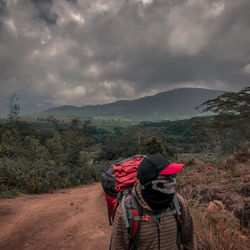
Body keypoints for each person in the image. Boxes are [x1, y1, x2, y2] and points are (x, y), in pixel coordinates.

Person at [110, 154, 196, 250]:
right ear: (149, 180)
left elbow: (190, 241)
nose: (172, 180)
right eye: (166, 176)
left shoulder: (178, 203)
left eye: (173, 175)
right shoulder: (126, 210)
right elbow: (118, 246)